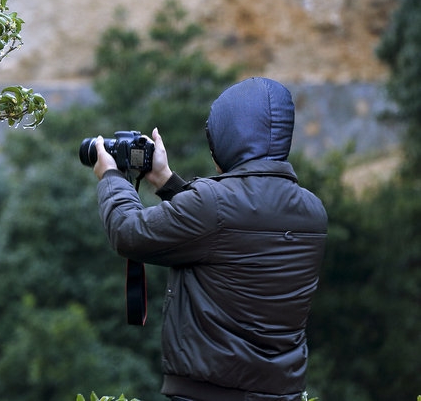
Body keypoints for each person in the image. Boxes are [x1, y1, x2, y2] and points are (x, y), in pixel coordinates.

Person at [92, 77, 328, 401]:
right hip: (281, 393)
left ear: (226, 139)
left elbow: (128, 232)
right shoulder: (312, 210)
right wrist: (164, 180)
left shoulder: (212, 205)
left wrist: (112, 176)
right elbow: (230, 232)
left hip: (207, 393)